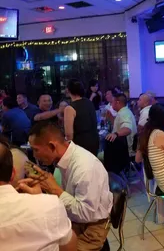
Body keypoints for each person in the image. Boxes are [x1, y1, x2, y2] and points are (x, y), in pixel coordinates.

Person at [25, 121, 113, 251]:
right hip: (77, 220)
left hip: (91, 228)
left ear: (52, 146)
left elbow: (86, 213)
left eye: (36, 149)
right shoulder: (65, 158)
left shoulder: (85, 168)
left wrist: (55, 190)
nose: (34, 155)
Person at [0, 138, 77, 251]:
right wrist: (42, 201)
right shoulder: (51, 205)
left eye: (36, 150)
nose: (35, 156)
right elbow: (70, 246)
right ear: (13, 174)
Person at [64, 79, 99, 156]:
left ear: (69, 90)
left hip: (80, 145)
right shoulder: (89, 102)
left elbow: (69, 134)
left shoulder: (69, 108)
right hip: (94, 141)